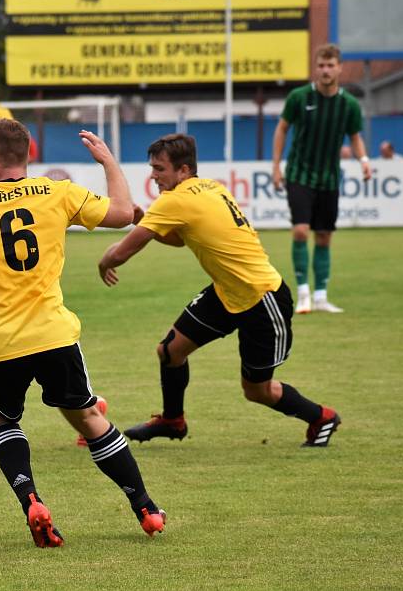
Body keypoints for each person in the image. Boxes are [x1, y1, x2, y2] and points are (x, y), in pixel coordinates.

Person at [0, 119, 165, 547]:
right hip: (54, 336)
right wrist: (109, 162)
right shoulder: (57, 193)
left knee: (0, 419)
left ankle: (32, 500)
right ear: (28, 156)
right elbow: (121, 214)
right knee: (90, 418)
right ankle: (146, 507)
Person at [99, 134, 341, 449]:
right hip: (228, 292)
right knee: (170, 351)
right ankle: (173, 420)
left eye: (159, 169)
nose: (153, 176)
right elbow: (180, 238)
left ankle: (322, 417)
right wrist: (145, 219)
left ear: (183, 171)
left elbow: (120, 254)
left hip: (261, 297)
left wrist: (105, 262)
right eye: (152, 168)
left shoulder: (176, 200)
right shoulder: (211, 187)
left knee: (257, 390)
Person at [271, 43, 372, 314]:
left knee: (324, 237)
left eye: (331, 65)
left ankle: (321, 296)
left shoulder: (349, 104)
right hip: (299, 175)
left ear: (339, 68)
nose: (326, 70)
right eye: (321, 65)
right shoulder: (298, 97)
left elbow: (355, 137)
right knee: (301, 230)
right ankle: (303, 293)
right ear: (316, 68)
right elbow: (281, 130)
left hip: (328, 179)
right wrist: (276, 167)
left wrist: (364, 161)